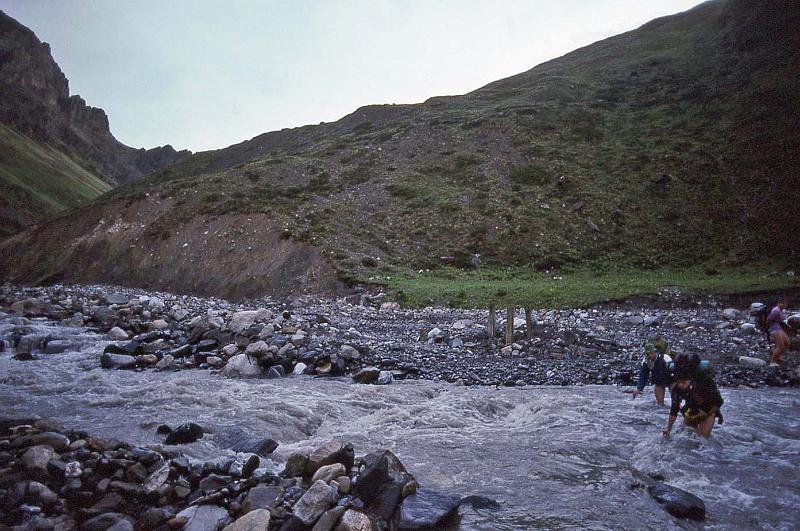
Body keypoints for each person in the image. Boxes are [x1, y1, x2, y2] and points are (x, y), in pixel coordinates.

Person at [663, 354, 724, 438]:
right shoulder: (676, 389)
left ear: (691, 380)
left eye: (684, 383)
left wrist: (706, 413)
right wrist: (668, 430)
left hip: (708, 410)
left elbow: (719, 402)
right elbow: (674, 410)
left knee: (702, 439)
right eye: (679, 382)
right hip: (692, 410)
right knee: (688, 437)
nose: (681, 385)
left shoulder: (704, 384)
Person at [632, 337, 672, 405]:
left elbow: (674, 370)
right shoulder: (645, 362)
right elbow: (643, 376)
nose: (649, 355)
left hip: (671, 378)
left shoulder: (665, 358)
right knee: (659, 400)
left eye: (651, 353)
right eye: (647, 354)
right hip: (659, 381)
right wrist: (639, 389)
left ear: (655, 352)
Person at [767, 300, 790, 367]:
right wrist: (770, 328)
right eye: (782, 304)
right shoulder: (776, 311)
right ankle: (772, 361)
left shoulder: (781, 310)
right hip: (774, 329)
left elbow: (779, 320)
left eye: (785, 304)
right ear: (779, 304)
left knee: (787, 343)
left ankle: (778, 357)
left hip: (778, 328)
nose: (784, 305)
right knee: (780, 346)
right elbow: (768, 319)